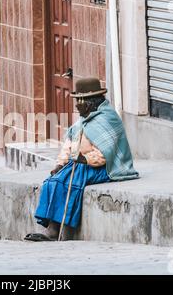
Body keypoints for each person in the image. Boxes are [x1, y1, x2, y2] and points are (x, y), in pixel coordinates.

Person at [25, 77, 139, 242]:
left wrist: (85, 159)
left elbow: (107, 154)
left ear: (92, 102)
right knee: (52, 181)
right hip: (79, 163)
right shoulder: (83, 120)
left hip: (104, 168)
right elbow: (68, 145)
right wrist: (60, 163)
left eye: (81, 100)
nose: (78, 104)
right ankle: (52, 227)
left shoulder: (108, 119)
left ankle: (61, 229)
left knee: (71, 183)